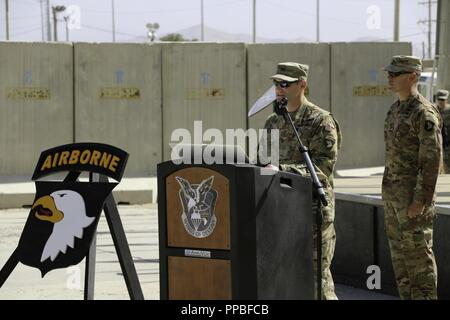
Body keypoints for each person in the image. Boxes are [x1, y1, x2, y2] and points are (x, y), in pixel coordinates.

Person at [259, 62, 341, 300]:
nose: (279, 88)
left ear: (302, 84)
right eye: (276, 83)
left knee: (317, 282)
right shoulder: (272, 122)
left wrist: (282, 169)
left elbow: (322, 168)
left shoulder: (321, 121)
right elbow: (263, 164)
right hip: (280, 212)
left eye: (285, 84)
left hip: (312, 211)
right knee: (285, 280)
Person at [382, 55, 441, 299]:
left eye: (395, 74)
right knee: (401, 265)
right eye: (390, 73)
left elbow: (431, 161)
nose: (390, 78)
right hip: (393, 200)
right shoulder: (395, 110)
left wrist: (420, 200)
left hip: (412, 203)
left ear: (413, 76)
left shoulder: (424, 113)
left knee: (419, 264)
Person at [436, 89, 450, 173]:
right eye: (439, 99)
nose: (441, 102)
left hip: (448, 141)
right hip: (437, 140)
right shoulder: (433, 109)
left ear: (446, 99)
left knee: (447, 163)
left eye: (443, 100)